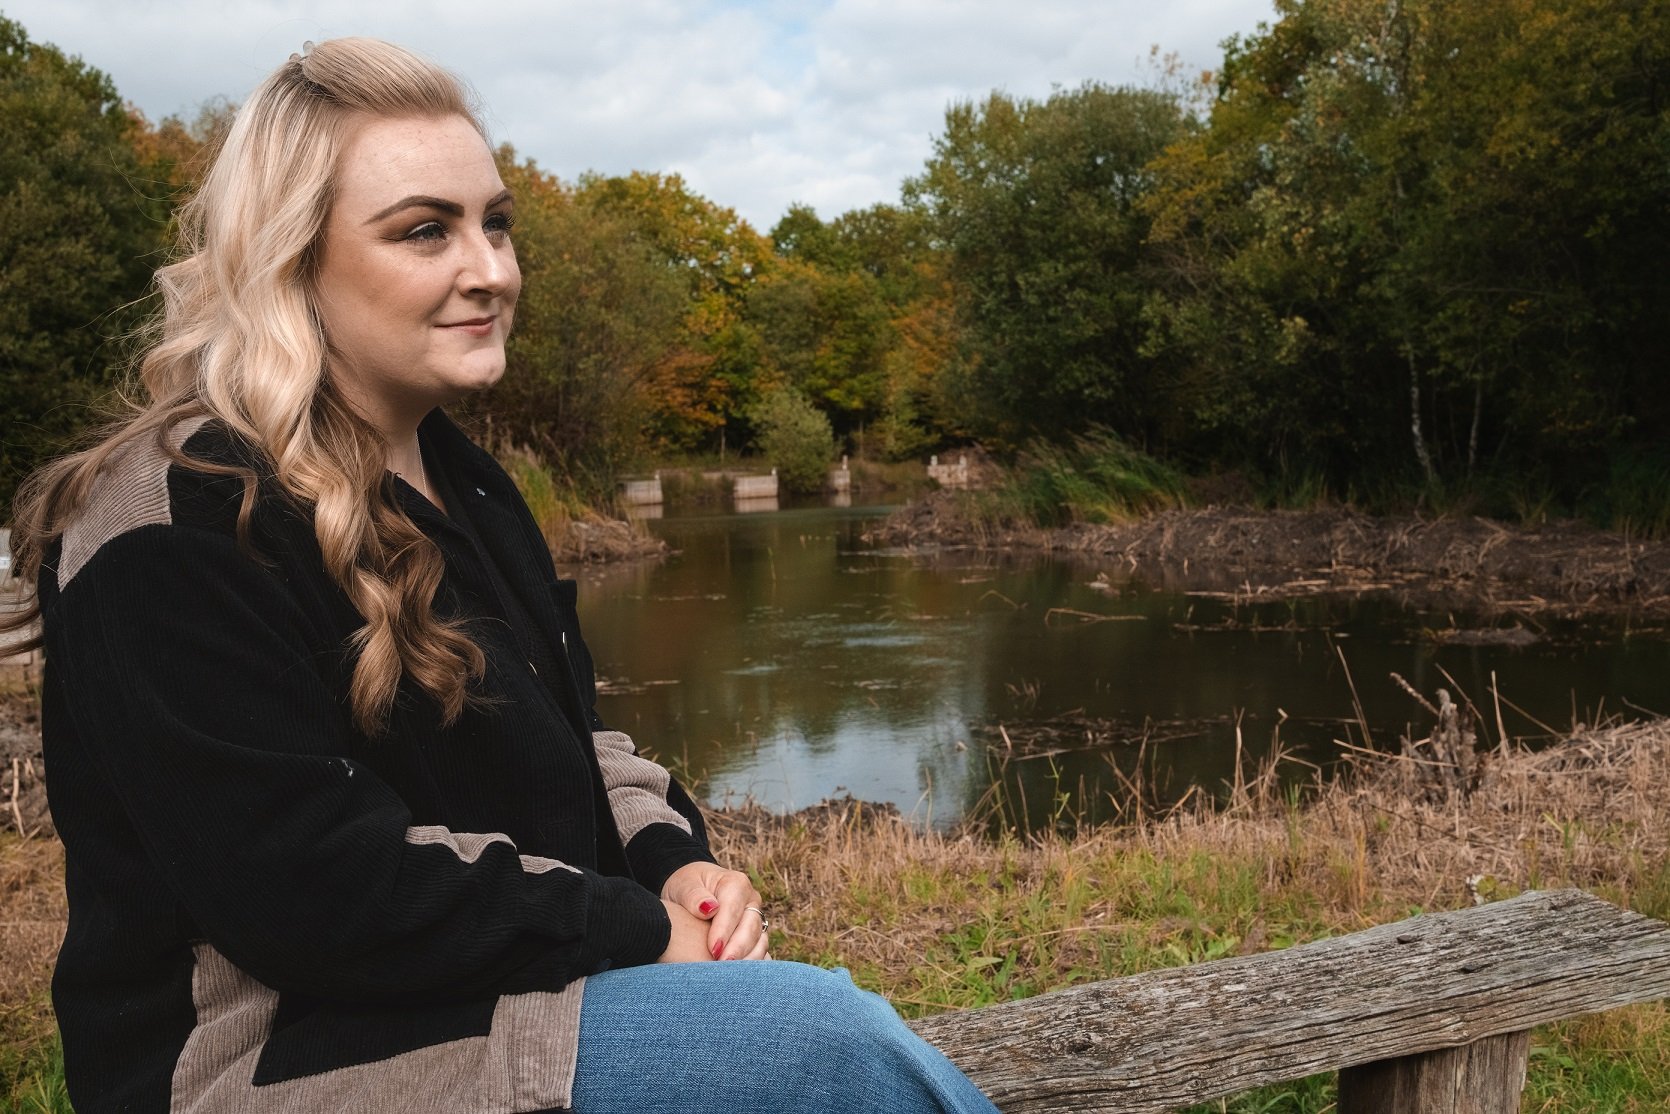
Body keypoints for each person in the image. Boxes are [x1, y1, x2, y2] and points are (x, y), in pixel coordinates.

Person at [3, 38, 997, 1114]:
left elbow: (578, 746)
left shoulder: (464, 480)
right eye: (425, 230)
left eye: (496, 221)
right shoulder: (172, 515)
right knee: (819, 1046)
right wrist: (627, 926)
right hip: (269, 1063)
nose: (491, 269)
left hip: (487, 990)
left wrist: (670, 866)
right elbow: (307, 884)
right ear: (290, 257)